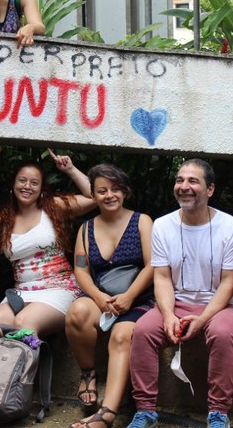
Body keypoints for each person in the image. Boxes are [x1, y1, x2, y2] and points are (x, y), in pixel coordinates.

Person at [126, 159, 233, 428]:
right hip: (176, 302)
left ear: (210, 189)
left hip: (221, 306)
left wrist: (202, 320)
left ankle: (218, 413)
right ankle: (145, 411)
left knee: (223, 333)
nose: (184, 186)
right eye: (180, 180)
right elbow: (162, 276)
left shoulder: (231, 228)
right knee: (144, 330)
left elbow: (229, 284)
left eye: (193, 181)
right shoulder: (162, 225)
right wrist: (168, 314)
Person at [0, 147, 95, 336]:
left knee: (23, 324)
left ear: (41, 189)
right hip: (22, 291)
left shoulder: (53, 207)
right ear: (13, 184)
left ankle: (26, 366)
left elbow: (95, 196)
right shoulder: (3, 218)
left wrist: (70, 169)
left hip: (59, 288)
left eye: (34, 183)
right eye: (22, 180)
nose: (27, 186)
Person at [65, 164, 155, 428]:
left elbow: (153, 265)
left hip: (139, 299)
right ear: (93, 195)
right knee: (77, 312)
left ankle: (107, 414)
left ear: (125, 192)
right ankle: (88, 373)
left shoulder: (142, 221)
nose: (109, 195)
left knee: (120, 336)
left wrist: (129, 296)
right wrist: (98, 297)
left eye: (115, 189)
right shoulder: (86, 228)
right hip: (103, 298)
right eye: (102, 191)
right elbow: (81, 271)